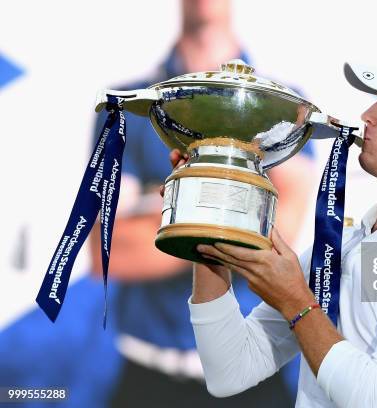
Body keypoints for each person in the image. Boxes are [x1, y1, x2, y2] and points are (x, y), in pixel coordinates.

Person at [185, 40, 377, 407]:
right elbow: (230, 369)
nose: (368, 115)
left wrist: (296, 301)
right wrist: (207, 216)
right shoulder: (345, 242)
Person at [89, 0, 315, 406]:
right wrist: (239, 210)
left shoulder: (286, 105)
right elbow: (110, 252)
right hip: (148, 376)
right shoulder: (133, 105)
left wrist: (180, 209)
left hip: (253, 372)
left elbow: (286, 238)